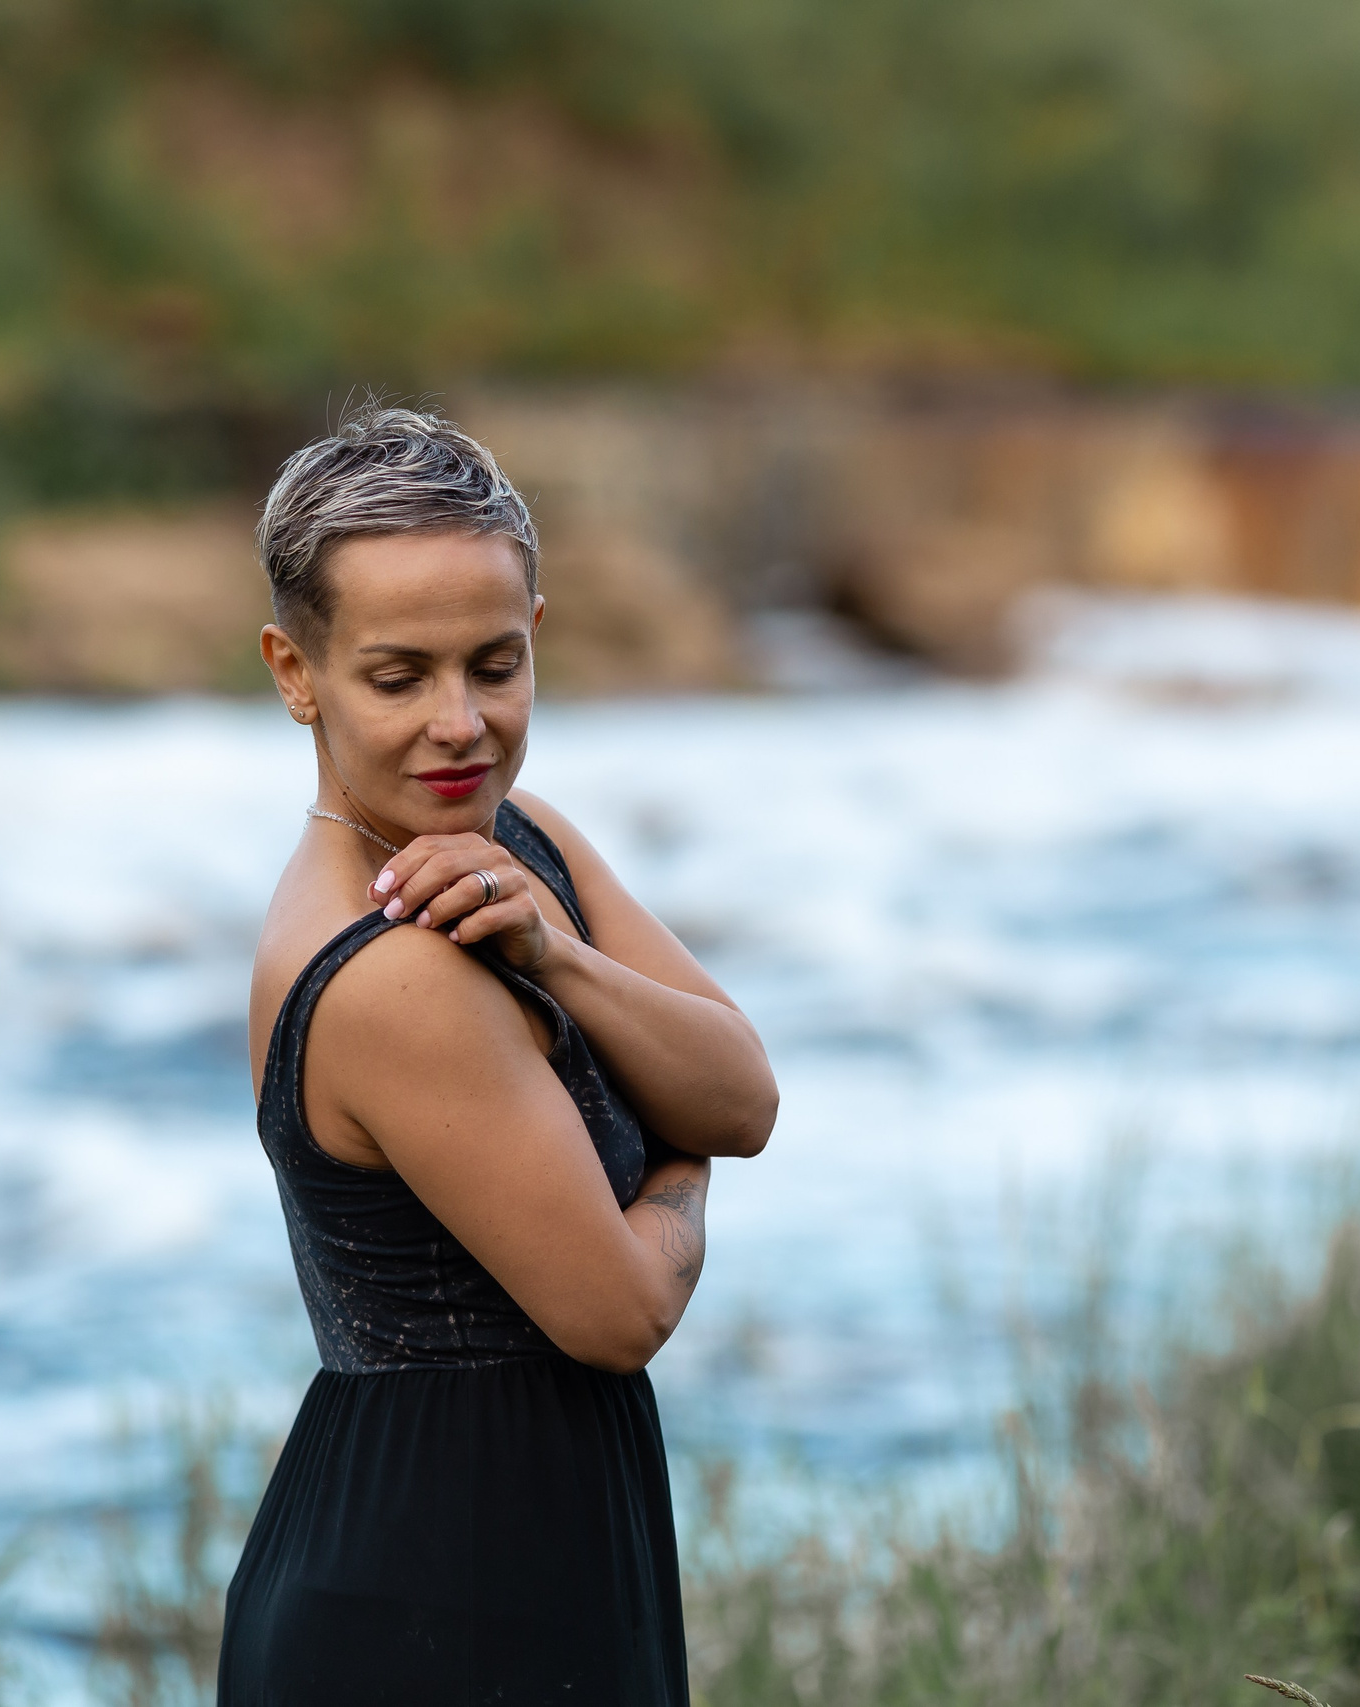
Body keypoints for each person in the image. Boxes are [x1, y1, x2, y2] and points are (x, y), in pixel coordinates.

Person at [221, 405, 780, 1704]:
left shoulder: (524, 847)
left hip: (532, 1541)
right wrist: (676, 1159)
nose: (461, 723)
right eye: (398, 675)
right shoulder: (393, 971)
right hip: (432, 1585)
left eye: (495, 663)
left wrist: (564, 963)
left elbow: (744, 1090)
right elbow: (623, 1311)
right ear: (296, 673)